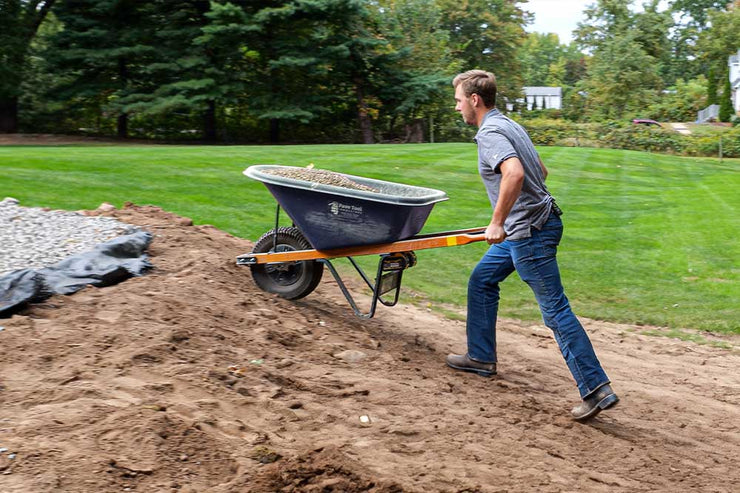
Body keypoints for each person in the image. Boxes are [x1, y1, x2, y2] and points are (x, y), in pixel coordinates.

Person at [446, 69, 618, 421]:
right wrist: (508, 217)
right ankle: (480, 356)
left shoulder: (491, 132)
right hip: (532, 223)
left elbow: (516, 173)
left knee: (554, 310)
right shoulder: (509, 124)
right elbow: (541, 169)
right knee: (482, 280)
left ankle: (596, 388)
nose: (457, 107)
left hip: (529, 234)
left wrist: (498, 221)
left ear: (474, 100)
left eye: (459, 100)